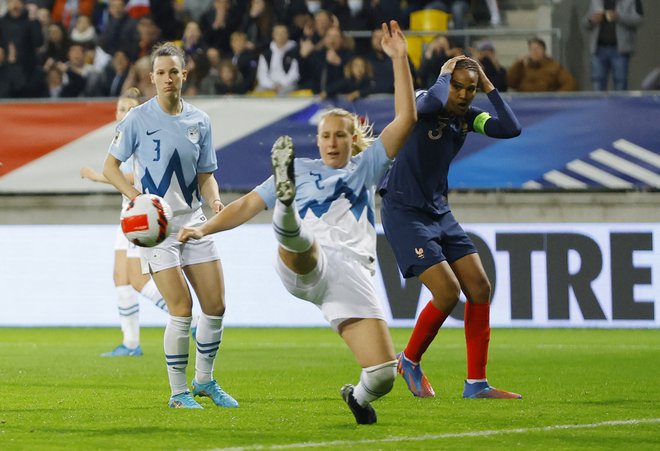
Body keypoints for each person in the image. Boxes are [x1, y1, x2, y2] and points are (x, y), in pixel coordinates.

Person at [178, 20, 416, 424]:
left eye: (340, 136)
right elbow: (245, 206)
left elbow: (406, 118)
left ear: (352, 137)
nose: (331, 143)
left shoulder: (368, 166)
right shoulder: (299, 169)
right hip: (305, 261)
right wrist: (203, 227)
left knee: (381, 376)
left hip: (353, 273)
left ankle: (356, 397)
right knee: (303, 243)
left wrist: (399, 59)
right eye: (325, 136)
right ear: (318, 139)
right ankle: (286, 215)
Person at [378, 55, 523, 399]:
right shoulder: (423, 107)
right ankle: (409, 360)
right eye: (457, 86)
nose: (462, 94)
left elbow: (510, 128)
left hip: (439, 211)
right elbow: (431, 99)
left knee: (479, 287)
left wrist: (489, 87)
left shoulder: (469, 119)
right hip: (403, 209)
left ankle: (476, 384)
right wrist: (444, 75)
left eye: (469, 89)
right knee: (446, 293)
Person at [102, 42, 237, 410]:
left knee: (216, 306)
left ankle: (205, 382)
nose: (167, 78)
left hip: (194, 223)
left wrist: (215, 202)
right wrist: (137, 199)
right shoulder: (136, 119)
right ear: (151, 78)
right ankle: (178, 393)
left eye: (173, 72)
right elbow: (110, 167)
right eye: (160, 73)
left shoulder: (200, 121)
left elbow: (206, 174)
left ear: (184, 75)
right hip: (157, 228)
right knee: (180, 307)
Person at [80, 87, 169, 357]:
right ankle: (131, 344)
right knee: (120, 278)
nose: (124, 112)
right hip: (127, 213)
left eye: (130, 107)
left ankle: (188, 317)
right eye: (121, 108)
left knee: (137, 280)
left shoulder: (140, 136)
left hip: (141, 215)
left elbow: (134, 176)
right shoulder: (122, 138)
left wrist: (97, 177)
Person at [582, 0, 643, 91]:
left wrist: (619, 17)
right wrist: (592, 20)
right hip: (599, 50)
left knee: (620, 83)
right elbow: (585, 22)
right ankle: (599, 105)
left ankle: (620, 105)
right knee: (597, 83)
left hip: (620, 51)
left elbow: (639, 20)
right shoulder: (596, 1)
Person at [507, 37, 576, 92]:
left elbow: (569, 83)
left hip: (546, 103)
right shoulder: (523, 67)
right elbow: (510, 82)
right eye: (532, 49)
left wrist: (557, 97)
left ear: (544, 50)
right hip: (525, 103)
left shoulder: (554, 66)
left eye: (537, 49)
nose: (535, 52)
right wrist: (517, 64)